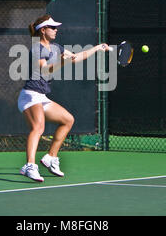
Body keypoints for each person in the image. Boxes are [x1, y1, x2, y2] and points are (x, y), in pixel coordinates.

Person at [17, 14, 111, 182]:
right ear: (43, 30)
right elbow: (45, 70)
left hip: (41, 96)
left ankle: (51, 158)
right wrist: (62, 62)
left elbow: (76, 57)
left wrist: (97, 48)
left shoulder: (56, 47)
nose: (56, 30)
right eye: (52, 27)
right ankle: (29, 166)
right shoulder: (37, 48)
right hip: (30, 95)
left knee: (68, 120)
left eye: (56, 27)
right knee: (38, 127)